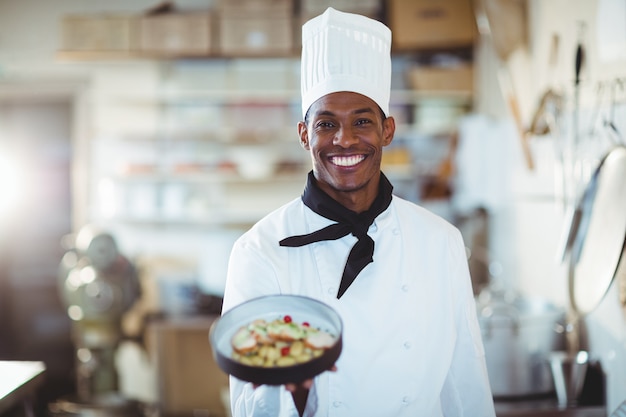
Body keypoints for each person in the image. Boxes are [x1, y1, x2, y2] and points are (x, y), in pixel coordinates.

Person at [221, 7, 496, 417]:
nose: (344, 140)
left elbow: (465, 380)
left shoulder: (439, 241)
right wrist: (293, 390)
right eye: (326, 124)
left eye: (361, 121)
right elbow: (249, 403)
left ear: (387, 130)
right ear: (304, 134)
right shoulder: (260, 251)